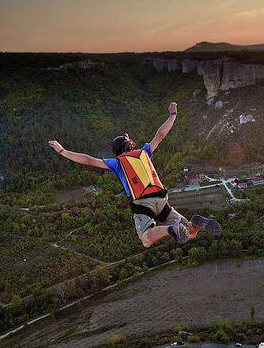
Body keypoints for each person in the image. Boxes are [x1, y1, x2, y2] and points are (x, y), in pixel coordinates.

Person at [48, 102, 221, 248]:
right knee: (190, 233)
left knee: (146, 239)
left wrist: (62, 151)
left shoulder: (117, 163)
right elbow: (160, 135)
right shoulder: (144, 152)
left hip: (142, 203)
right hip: (162, 200)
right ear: (130, 145)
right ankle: (197, 225)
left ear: (116, 152)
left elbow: (88, 160)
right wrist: (173, 114)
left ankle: (171, 229)